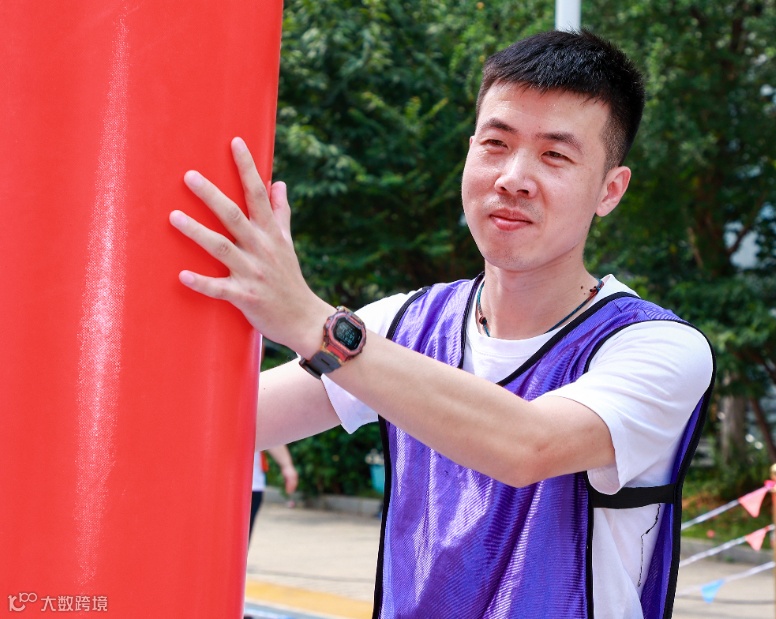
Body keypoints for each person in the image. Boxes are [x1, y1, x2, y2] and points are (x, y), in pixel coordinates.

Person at [170, 29, 715, 619]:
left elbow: (526, 446)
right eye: (496, 144)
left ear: (610, 190)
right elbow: (220, 421)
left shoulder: (659, 347)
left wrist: (309, 320)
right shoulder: (403, 323)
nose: (513, 177)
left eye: (554, 155)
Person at [248, 446, 298, 540]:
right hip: (223, 482)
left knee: (239, 541)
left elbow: (261, 436)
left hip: (250, 482)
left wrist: (287, 465)